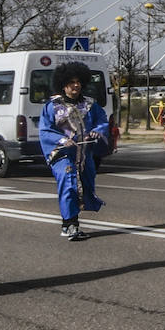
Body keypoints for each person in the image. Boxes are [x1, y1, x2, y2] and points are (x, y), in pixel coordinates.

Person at [39, 62, 109, 241]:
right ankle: (70, 224)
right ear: (63, 85)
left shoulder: (91, 104)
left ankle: (70, 222)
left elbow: (102, 121)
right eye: (71, 82)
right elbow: (45, 130)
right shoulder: (52, 106)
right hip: (61, 154)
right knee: (68, 183)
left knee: (83, 186)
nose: (76, 85)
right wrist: (62, 140)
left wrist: (97, 131)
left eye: (78, 82)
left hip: (85, 155)